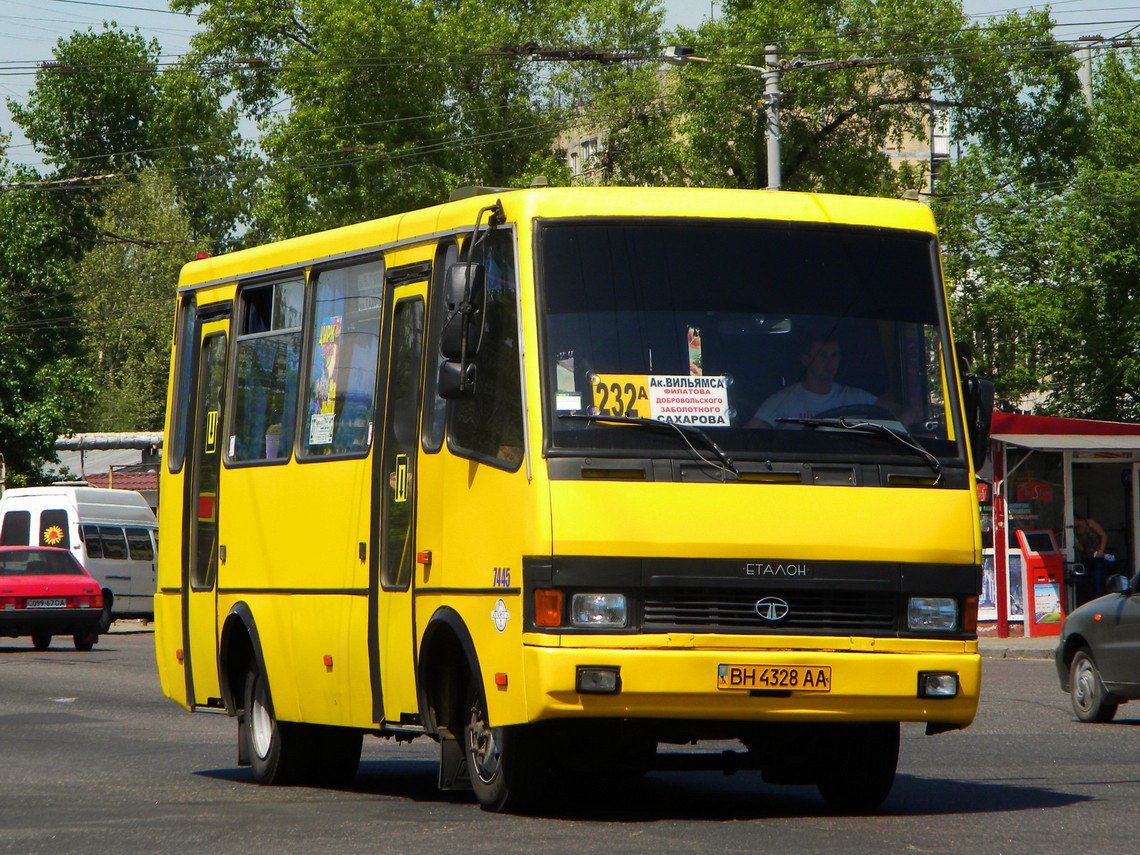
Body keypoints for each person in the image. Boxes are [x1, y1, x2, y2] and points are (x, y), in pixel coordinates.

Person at [747, 337, 888, 428]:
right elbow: (750, 435)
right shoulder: (784, 400)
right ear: (805, 360)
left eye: (835, 355)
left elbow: (903, 413)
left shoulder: (855, 397)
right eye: (823, 355)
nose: (830, 362)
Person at [1074, 514, 1108, 600]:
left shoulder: (1089, 523)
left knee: (1098, 580)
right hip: (1086, 557)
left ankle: (1100, 599)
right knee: (1087, 581)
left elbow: (1103, 535)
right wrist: (1077, 545)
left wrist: (1101, 549)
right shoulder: (1074, 530)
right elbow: (1082, 548)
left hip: (1098, 555)